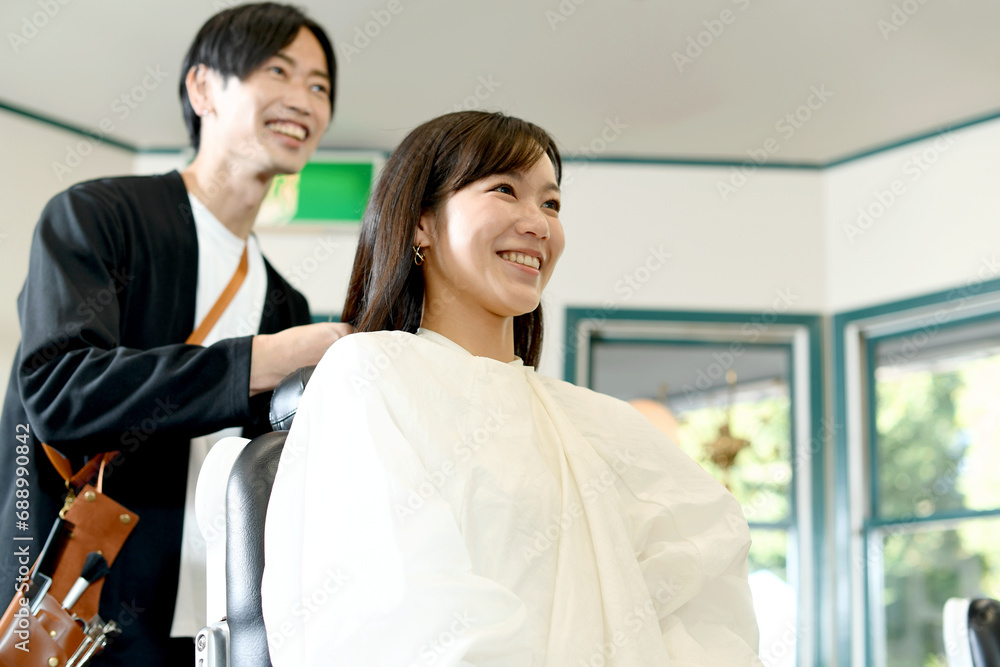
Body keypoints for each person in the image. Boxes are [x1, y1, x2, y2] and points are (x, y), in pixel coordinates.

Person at [262, 111, 762, 665]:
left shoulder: (595, 423)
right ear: (422, 223)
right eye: (505, 189)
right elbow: (402, 609)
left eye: (551, 203)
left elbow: (701, 590)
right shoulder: (370, 373)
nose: (539, 224)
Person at [0, 3, 350, 664]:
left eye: (319, 86)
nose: (304, 100)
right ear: (202, 88)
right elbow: (57, 392)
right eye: (278, 71)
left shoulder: (286, 300)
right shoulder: (98, 217)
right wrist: (262, 359)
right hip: (86, 610)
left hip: (220, 619)